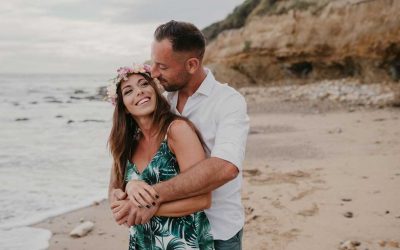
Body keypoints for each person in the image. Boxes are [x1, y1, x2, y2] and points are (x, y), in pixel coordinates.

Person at [110, 20, 249, 250]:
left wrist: (151, 198)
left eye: (162, 67)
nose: (153, 73)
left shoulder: (228, 102)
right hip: (165, 232)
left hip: (218, 230)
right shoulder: (164, 102)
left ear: (192, 65)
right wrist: (129, 188)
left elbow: (226, 167)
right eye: (153, 63)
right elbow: (124, 165)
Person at [107, 64, 215, 249]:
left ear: (155, 90)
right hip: (142, 244)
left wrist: (148, 208)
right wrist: (128, 188)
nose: (140, 92)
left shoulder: (177, 131)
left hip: (184, 243)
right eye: (128, 91)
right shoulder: (126, 144)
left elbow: (203, 199)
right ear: (123, 107)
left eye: (144, 84)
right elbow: (113, 193)